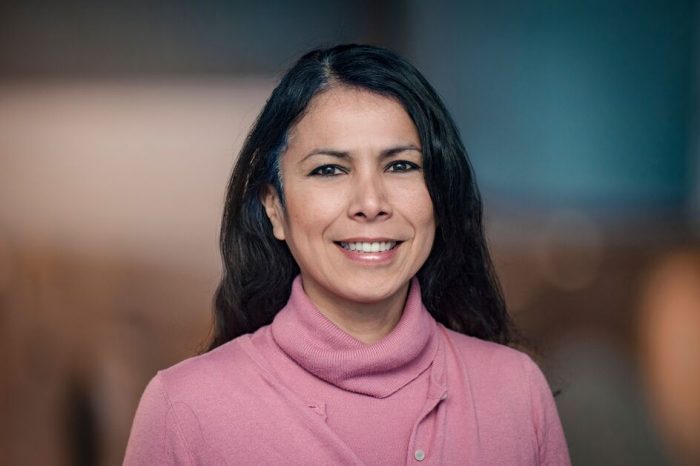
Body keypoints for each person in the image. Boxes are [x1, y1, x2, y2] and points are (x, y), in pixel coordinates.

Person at [124, 44, 570, 465]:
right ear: (274, 208)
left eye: (400, 166)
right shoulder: (184, 408)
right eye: (329, 169)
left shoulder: (517, 390)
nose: (371, 202)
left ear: (439, 193)